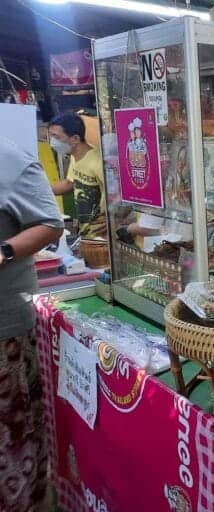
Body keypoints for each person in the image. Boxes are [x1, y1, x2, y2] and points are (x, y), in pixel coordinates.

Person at [0, 136, 64, 511]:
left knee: (13, 435)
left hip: (6, 330)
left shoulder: (10, 159)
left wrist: (4, 251)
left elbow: (50, 222)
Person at [50, 112, 106, 239]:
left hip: (102, 236)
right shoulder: (76, 157)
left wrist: (114, 219)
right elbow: (70, 183)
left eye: (56, 137)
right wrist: (39, 192)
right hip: (86, 233)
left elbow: (118, 196)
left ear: (75, 139)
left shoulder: (98, 162)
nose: (52, 142)